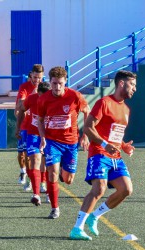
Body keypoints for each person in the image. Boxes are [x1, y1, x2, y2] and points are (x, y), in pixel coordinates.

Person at [70, 70, 137, 240]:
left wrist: (123, 146)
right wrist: (105, 145)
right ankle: (77, 228)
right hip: (99, 153)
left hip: (115, 157)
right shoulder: (104, 103)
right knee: (99, 188)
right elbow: (87, 127)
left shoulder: (126, 109)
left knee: (126, 190)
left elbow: (115, 134)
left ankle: (95, 216)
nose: (134, 89)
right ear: (121, 83)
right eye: (132, 84)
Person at [37, 66, 90, 219]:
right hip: (52, 142)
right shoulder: (44, 99)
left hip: (71, 143)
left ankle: (62, 169)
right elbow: (40, 121)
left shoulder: (75, 96)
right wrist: (42, 138)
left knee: (68, 180)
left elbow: (87, 112)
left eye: (60, 83)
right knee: (51, 173)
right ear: (50, 82)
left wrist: (85, 135)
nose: (57, 87)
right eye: (54, 83)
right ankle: (55, 208)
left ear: (65, 82)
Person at [16, 82, 51, 205]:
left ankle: (46, 189)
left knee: (48, 164)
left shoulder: (55, 100)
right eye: (40, 96)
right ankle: (36, 194)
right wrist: (17, 128)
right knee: (33, 160)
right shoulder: (31, 98)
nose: (42, 100)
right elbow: (21, 110)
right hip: (33, 135)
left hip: (50, 136)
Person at [15, 64, 44, 190]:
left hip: (41, 126)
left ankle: (39, 182)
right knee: (23, 155)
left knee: (40, 156)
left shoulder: (45, 87)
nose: (37, 80)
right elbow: (21, 105)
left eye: (40, 77)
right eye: (35, 77)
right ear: (31, 75)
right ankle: (23, 172)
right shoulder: (24, 87)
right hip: (26, 126)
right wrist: (32, 95)